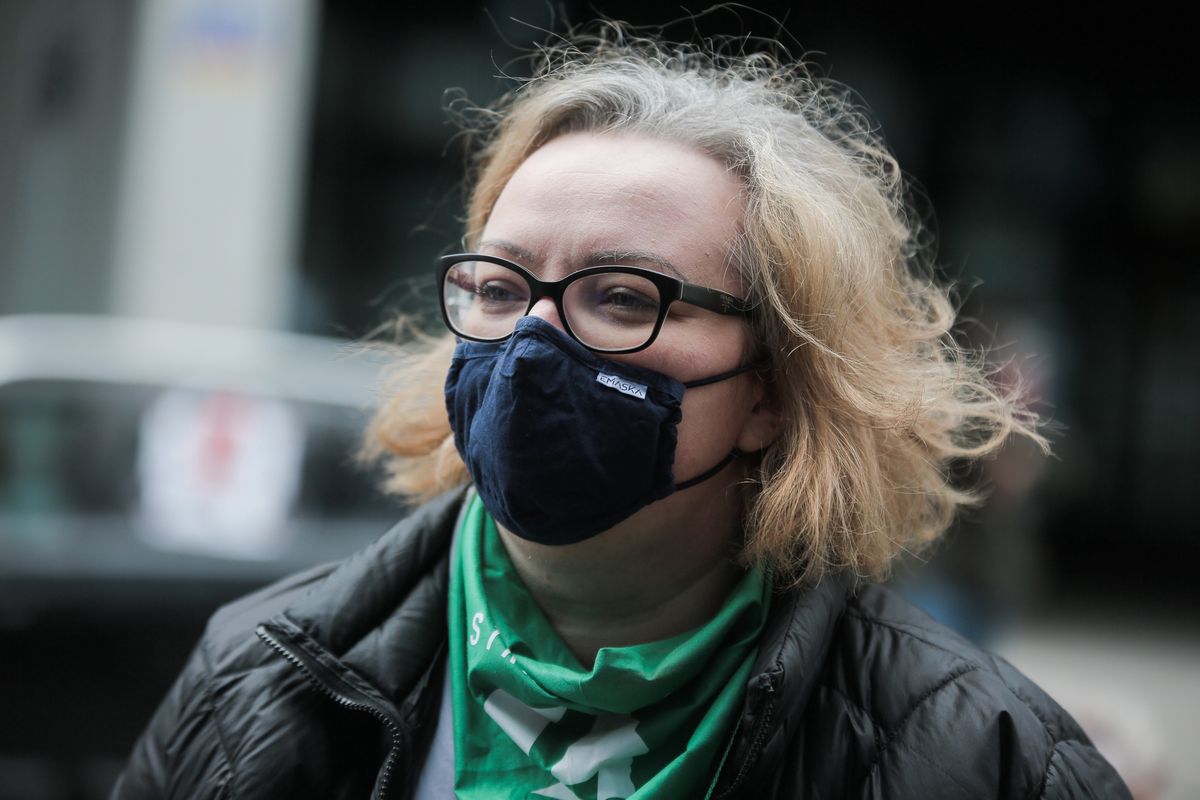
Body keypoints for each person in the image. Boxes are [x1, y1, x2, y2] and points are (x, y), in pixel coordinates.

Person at [112, 25, 1131, 800]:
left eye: (621, 297)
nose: (529, 343)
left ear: (774, 391)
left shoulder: (984, 758)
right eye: (501, 287)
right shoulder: (258, 679)